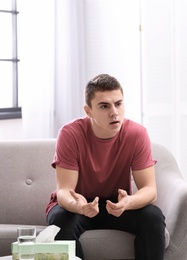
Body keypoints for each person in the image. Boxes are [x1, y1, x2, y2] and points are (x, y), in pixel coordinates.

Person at [45, 74, 166, 259]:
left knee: (153, 217)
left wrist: (128, 203)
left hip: (115, 205)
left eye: (118, 104)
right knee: (60, 219)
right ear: (88, 111)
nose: (114, 112)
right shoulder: (70, 134)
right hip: (78, 206)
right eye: (104, 106)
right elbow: (64, 191)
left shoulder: (137, 134)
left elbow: (150, 190)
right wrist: (79, 207)